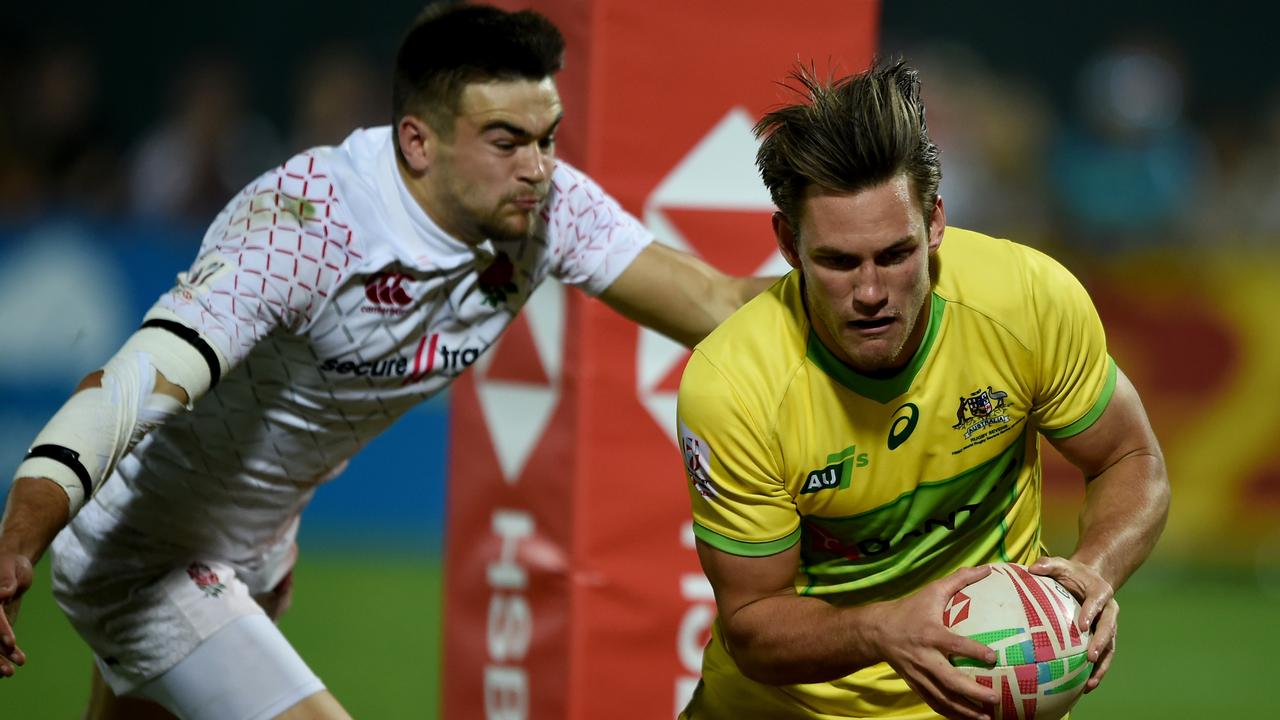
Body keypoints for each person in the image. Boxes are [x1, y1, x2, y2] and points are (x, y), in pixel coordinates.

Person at [0, 5, 771, 719]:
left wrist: (869, 288)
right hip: (144, 555)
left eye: (548, 137)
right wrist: (15, 546)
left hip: (253, 549)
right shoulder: (307, 227)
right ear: (417, 142)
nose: (538, 168)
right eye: (506, 141)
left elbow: (720, 305)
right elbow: (127, 386)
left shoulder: (544, 207)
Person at [675, 61, 1170, 720]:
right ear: (789, 245)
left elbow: (1131, 459)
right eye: (839, 262)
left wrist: (1095, 573)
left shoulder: (1026, 300)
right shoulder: (735, 384)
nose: (872, 292)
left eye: (895, 254)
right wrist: (880, 629)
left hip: (981, 702)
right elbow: (753, 623)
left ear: (935, 222)